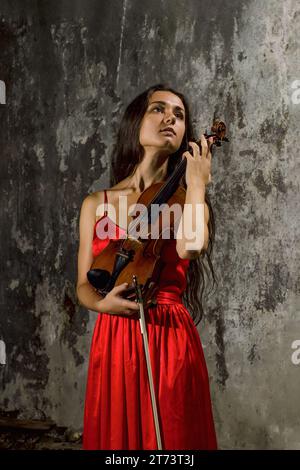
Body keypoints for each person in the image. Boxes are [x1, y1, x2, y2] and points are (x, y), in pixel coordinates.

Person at [76, 83, 218, 450]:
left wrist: (197, 184)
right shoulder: (96, 203)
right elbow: (83, 286)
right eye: (159, 109)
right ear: (136, 121)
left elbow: (193, 247)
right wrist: (101, 304)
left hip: (168, 333)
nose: (170, 117)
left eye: (180, 114)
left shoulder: (188, 198)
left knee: (173, 441)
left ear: (186, 134)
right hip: (113, 337)